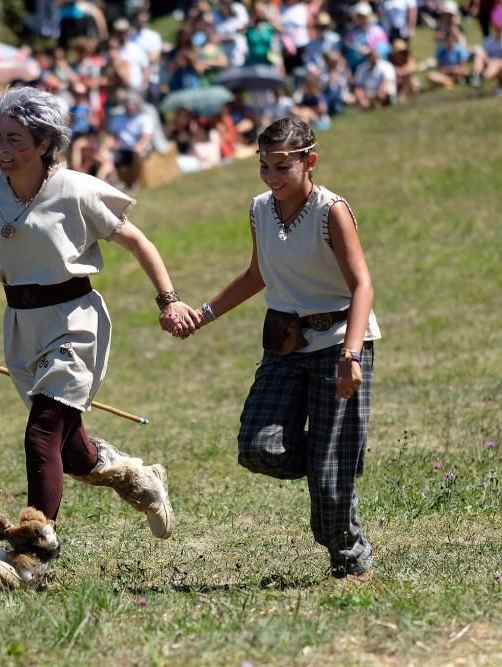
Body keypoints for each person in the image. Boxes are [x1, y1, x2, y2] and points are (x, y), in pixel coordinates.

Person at [0, 86, 198, 589]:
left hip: (74, 320)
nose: (4, 147)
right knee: (71, 449)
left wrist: (168, 299)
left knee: (42, 431)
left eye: (15, 138)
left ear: (44, 142)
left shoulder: (78, 191)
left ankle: (32, 552)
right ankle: (136, 477)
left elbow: (138, 241)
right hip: (20, 326)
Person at [190, 117, 381, 582]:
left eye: (282, 168)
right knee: (258, 447)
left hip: (339, 343)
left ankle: (350, 555)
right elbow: (257, 275)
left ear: (308, 162)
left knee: (331, 472)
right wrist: (204, 314)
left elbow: (362, 285)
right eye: (264, 167)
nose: (272, 179)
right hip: (284, 345)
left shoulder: (331, 210)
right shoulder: (260, 208)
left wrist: (351, 355)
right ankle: (332, 461)